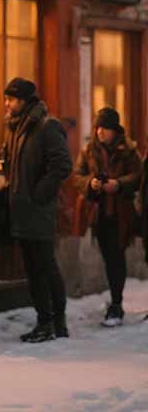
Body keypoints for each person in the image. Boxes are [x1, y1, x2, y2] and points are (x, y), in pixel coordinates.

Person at [2, 78, 72, 343]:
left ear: (24, 100)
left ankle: (55, 321)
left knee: (45, 266)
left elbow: (62, 165)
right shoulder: (16, 127)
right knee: (33, 268)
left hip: (38, 210)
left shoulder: (46, 126)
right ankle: (46, 321)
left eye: (10, 99)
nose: (6, 104)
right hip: (22, 210)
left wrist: (38, 195)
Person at [72, 108, 142, 326]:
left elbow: (139, 176)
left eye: (106, 128)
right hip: (98, 212)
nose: (101, 132)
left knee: (116, 257)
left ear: (115, 131)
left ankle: (116, 305)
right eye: (99, 128)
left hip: (120, 212)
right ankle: (115, 302)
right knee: (108, 256)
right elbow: (77, 176)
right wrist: (90, 183)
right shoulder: (89, 150)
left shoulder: (128, 150)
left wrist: (118, 184)